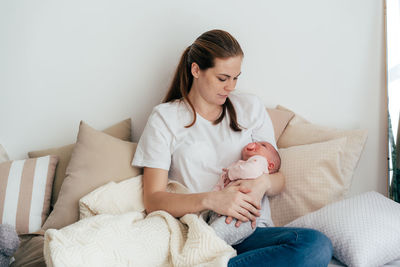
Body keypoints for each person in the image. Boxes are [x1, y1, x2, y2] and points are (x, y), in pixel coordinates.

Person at [132, 29, 333, 266]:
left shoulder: (250, 107)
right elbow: (153, 199)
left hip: (251, 232)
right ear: (196, 70)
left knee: (316, 246)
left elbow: (278, 177)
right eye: (222, 78)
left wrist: (262, 185)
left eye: (236, 77)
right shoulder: (166, 118)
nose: (231, 87)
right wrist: (213, 200)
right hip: (204, 233)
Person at [207, 141, 280, 246]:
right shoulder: (238, 165)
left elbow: (251, 171)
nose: (255, 143)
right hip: (222, 210)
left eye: (263, 146)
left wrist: (230, 173)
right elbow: (220, 186)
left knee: (214, 235)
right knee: (213, 231)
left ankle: (205, 245)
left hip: (244, 214)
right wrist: (214, 202)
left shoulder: (260, 162)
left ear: (270, 166)